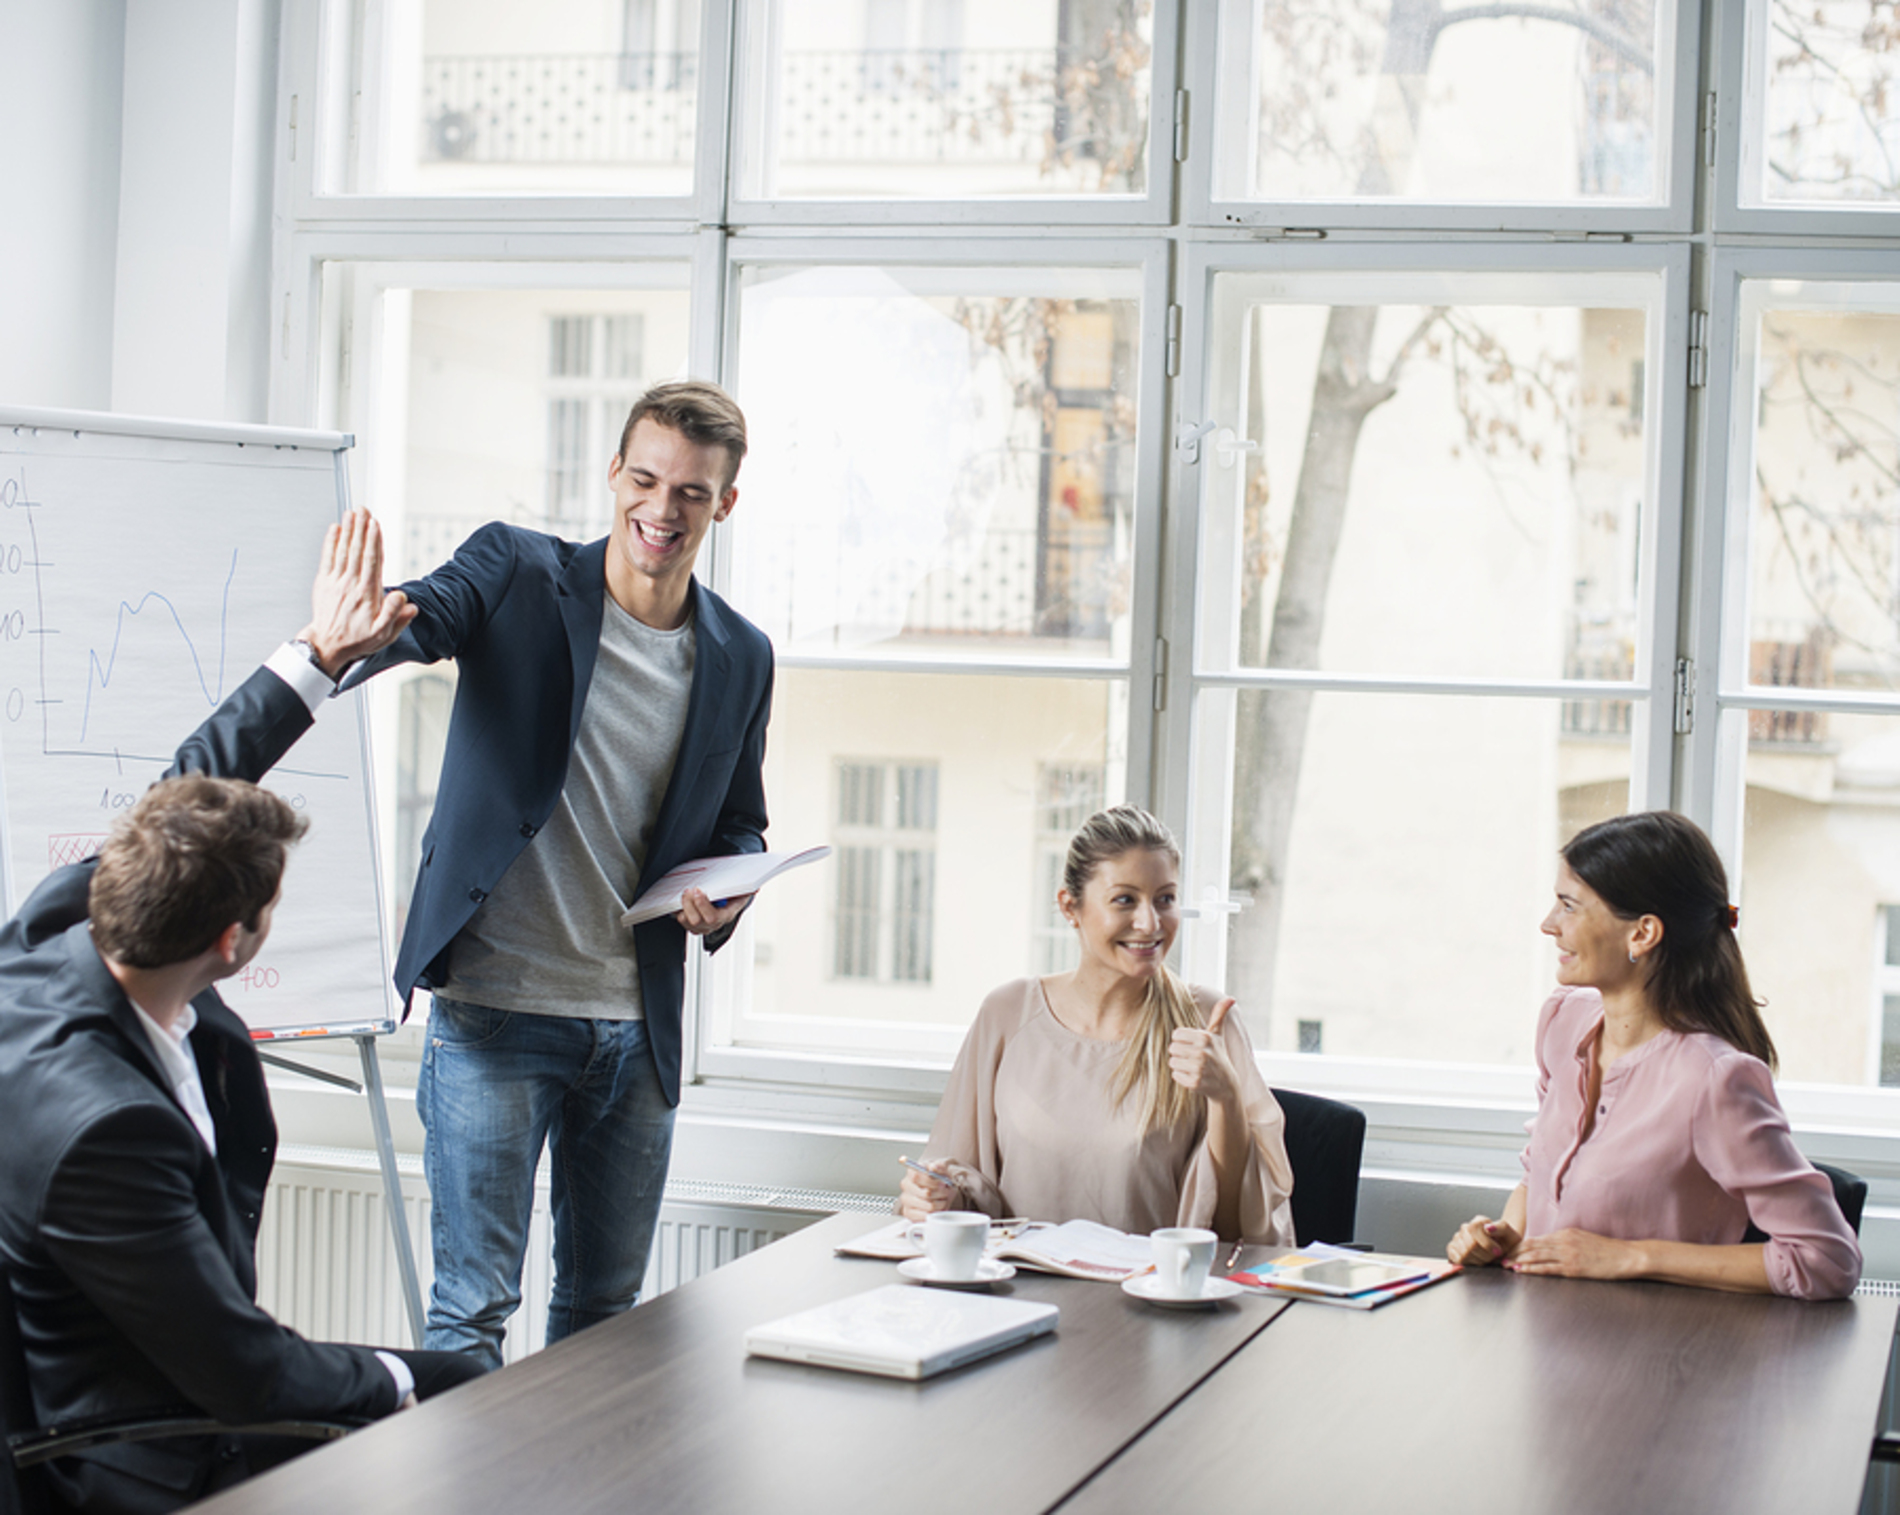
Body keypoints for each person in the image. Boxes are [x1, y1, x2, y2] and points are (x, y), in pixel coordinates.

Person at [0, 527, 485, 1515]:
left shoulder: (72, 918)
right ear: (234, 941)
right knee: (468, 1393)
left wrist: (317, 655)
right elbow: (241, 1374)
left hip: (173, 1362)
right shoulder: (106, 1130)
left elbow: (193, 786)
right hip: (120, 1443)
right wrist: (407, 1383)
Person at [328, 379, 773, 1368]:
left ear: (724, 505)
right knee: (470, 1315)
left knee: (605, 1317)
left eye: (691, 494)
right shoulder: (518, 572)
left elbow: (741, 819)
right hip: (495, 1014)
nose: (662, 512)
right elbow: (427, 614)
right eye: (646, 481)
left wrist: (735, 883)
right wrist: (367, 630)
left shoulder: (741, 654)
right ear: (613, 472)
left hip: (636, 1029)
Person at [1446, 810, 1861, 1299]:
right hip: (1544, 1337)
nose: (1548, 924)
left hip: (1654, 1357)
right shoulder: (1562, 1022)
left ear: (1642, 933)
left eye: (1569, 906)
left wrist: (1630, 1256)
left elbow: (1828, 1261)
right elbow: (1540, 1171)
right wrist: (1506, 1234)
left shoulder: (1715, 1079)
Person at [899, 805, 1295, 1244]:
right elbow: (959, 1184)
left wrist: (1226, 1098)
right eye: (1125, 899)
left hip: (1149, 1301)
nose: (1150, 923)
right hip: (1018, 1293)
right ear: (1070, 907)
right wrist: (935, 1197)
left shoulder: (1208, 1022)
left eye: (1165, 898)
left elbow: (1236, 1230)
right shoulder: (1007, 1013)